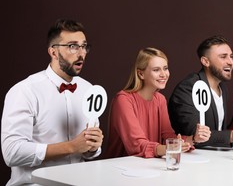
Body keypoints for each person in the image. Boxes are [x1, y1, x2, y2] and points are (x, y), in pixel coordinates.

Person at [1, 19, 104, 186]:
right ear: (53, 52)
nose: (81, 53)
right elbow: (12, 152)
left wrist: (93, 146)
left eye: (84, 46)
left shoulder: (88, 90)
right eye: (73, 46)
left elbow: (87, 152)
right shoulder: (25, 91)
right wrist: (71, 147)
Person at [104, 48, 211, 158]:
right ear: (141, 74)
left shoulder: (160, 99)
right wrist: (168, 148)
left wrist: (193, 139)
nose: (163, 74)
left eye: (165, 68)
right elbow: (136, 144)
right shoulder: (123, 99)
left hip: (149, 166)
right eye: (156, 70)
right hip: (119, 167)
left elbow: (167, 136)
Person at [168, 35, 233, 148]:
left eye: (231, 56)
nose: (230, 62)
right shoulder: (188, 87)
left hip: (215, 158)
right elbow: (193, 133)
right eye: (223, 57)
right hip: (191, 159)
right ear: (205, 61)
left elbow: (219, 131)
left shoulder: (222, 88)